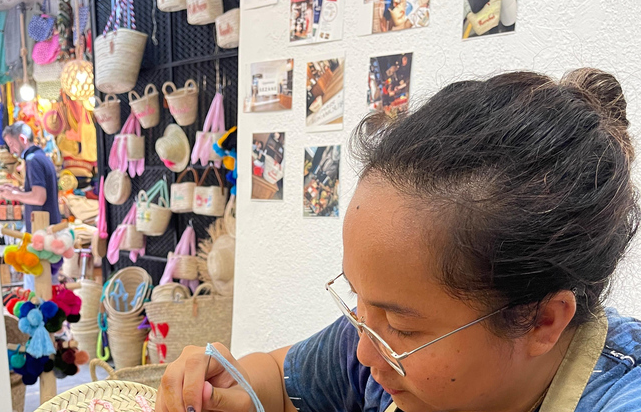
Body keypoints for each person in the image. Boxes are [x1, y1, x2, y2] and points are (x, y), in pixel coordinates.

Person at [156, 68, 641, 412]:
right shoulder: (371, 346)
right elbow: (284, 385)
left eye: (402, 329)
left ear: (543, 321)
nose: (365, 354)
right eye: (357, 304)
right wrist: (230, 391)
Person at [0, 121, 63, 290]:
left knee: (36, 291)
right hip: (48, 233)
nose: (12, 150)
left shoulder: (33, 160)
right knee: (48, 287)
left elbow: (39, 197)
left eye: (12, 144)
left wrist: (13, 195)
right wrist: (17, 190)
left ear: (22, 138)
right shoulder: (42, 158)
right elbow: (39, 193)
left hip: (41, 235)